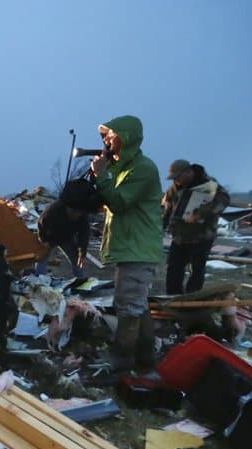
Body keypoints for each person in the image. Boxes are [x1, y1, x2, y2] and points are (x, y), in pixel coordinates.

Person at [89, 115, 165, 371]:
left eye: (113, 135)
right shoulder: (122, 168)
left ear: (127, 138)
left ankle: (121, 360)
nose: (108, 140)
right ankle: (145, 359)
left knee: (129, 307)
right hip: (131, 247)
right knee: (137, 305)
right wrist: (102, 171)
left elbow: (119, 202)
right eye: (107, 136)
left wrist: (102, 174)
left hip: (138, 248)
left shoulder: (143, 169)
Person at [162, 162, 230, 295]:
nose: (176, 180)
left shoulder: (210, 185)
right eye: (174, 178)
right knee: (173, 269)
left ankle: (192, 298)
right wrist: (163, 223)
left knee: (197, 270)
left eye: (178, 176)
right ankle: (172, 297)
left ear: (188, 172)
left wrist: (199, 214)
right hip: (179, 237)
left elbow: (223, 201)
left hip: (201, 236)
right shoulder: (175, 188)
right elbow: (167, 207)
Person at [36, 178, 101, 278]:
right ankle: (38, 279)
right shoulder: (52, 212)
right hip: (50, 236)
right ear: (68, 208)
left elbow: (84, 234)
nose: (77, 215)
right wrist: (44, 241)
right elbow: (41, 225)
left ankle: (80, 279)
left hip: (67, 237)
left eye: (79, 213)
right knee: (42, 256)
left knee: (76, 259)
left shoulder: (82, 216)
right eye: (74, 213)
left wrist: (82, 252)